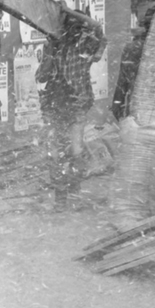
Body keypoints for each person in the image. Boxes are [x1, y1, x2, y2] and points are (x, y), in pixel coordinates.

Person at [37, 11, 106, 208]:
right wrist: (51, 53)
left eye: (79, 29)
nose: (75, 32)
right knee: (55, 154)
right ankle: (60, 196)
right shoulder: (53, 45)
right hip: (54, 105)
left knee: (75, 151)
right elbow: (41, 76)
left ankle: (74, 191)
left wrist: (69, 12)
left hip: (76, 106)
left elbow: (98, 29)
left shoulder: (85, 45)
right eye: (71, 28)